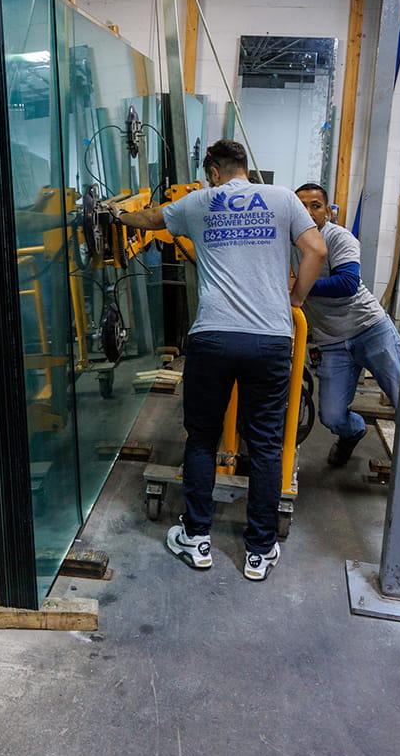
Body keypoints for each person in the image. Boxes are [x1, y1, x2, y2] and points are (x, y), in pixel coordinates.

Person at [111, 140, 327, 580]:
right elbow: (317, 251)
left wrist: (116, 214)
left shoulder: (198, 203)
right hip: (269, 339)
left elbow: (151, 219)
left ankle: (196, 537)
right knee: (266, 443)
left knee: (202, 439)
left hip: (213, 336)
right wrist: (296, 298)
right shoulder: (284, 199)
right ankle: (258, 551)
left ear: (212, 170)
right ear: (245, 167)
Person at [293, 183, 400, 481]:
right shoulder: (286, 243)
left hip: (370, 329)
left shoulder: (338, 237)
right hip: (331, 341)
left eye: (316, 205)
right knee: (332, 417)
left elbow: (346, 283)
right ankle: (353, 433)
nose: (308, 212)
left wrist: (295, 286)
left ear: (327, 210)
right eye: (301, 206)